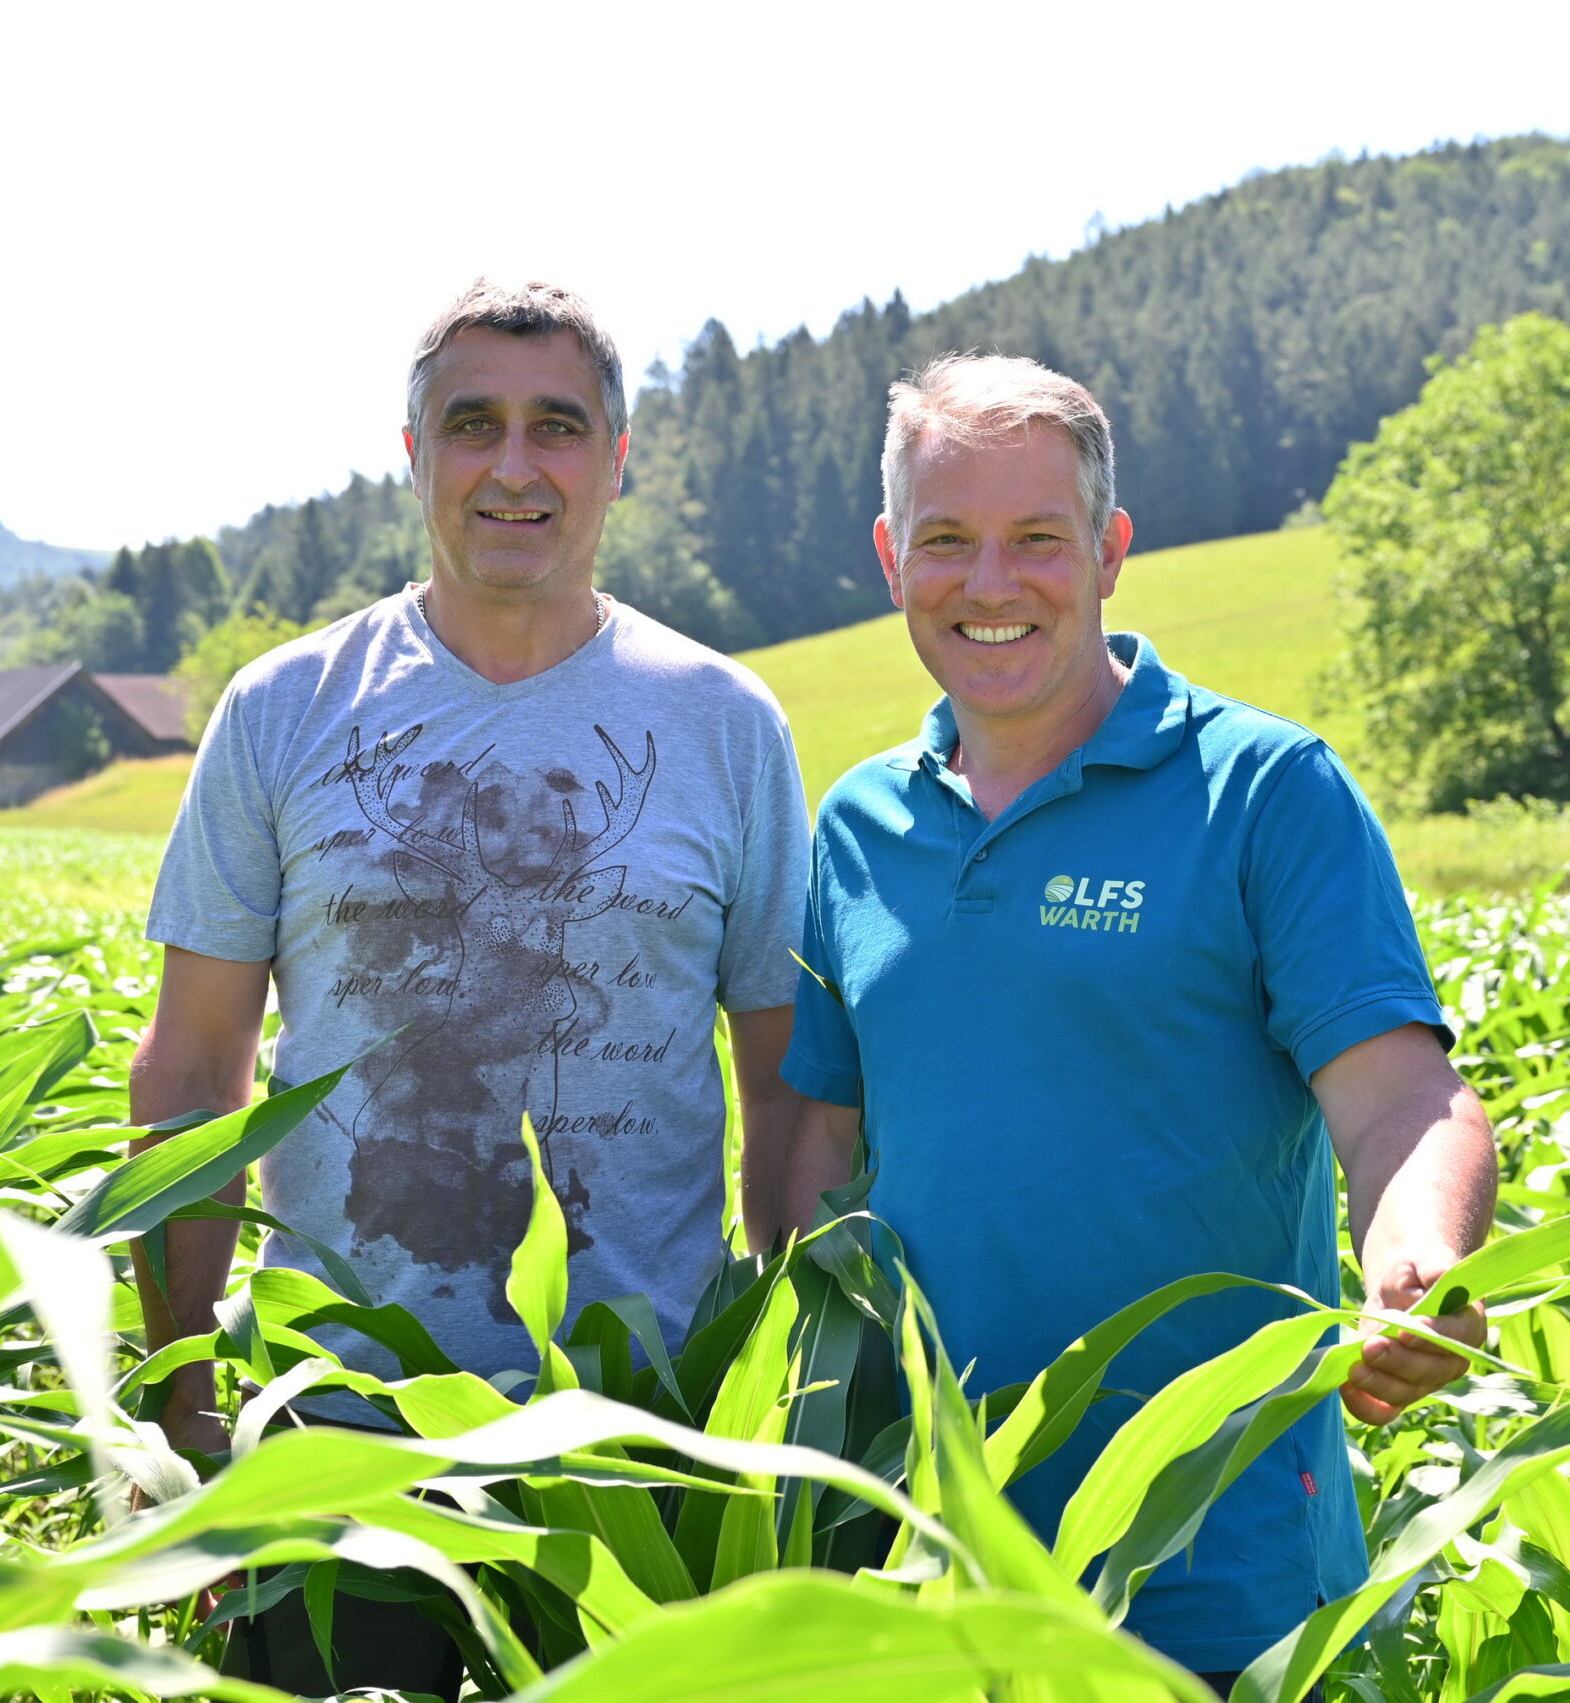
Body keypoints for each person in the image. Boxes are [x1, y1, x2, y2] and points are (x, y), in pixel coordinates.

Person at [755, 354, 1498, 1693]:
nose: (991, 586)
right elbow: (820, 1138)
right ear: (888, 555)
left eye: (1038, 540)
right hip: (930, 1565)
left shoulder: (1263, 791)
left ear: (1110, 551)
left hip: (1216, 1573)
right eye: (949, 543)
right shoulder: (859, 827)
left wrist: (1417, 1264)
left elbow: (1402, 1099)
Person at [131, 278, 808, 1691]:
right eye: (472, 426)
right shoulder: (284, 711)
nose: (514, 466)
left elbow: (791, 1088)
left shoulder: (725, 726)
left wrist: (787, 1409)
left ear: (617, 458)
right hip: (339, 1438)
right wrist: (181, 1410)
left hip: (643, 1450)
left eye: (556, 426)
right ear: (414, 452)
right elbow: (193, 1074)